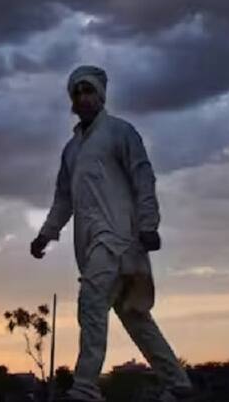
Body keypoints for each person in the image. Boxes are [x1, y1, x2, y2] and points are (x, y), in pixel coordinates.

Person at [30, 65, 193, 401]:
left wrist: (149, 224)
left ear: (100, 95)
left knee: (91, 303)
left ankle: (85, 388)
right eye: (76, 92)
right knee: (134, 316)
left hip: (121, 238)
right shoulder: (72, 150)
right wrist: (46, 234)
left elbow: (142, 177)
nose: (82, 98)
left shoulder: (121, 133)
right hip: (90, 245)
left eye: (88, 90)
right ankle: (177, 382)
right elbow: (64, 198)